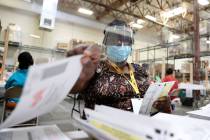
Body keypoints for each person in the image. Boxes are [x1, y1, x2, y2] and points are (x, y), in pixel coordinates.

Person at [69, 20, 172, 114]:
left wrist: (162, 102)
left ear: (131, 45)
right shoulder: (95, 68)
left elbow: (151, 99)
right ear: (106, 43)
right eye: (115, 38)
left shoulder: (140, 70)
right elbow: (73, 88)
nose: (120, 43)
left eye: (125, 39)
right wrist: (76, 72)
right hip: (102, 129)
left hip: (138, 127)